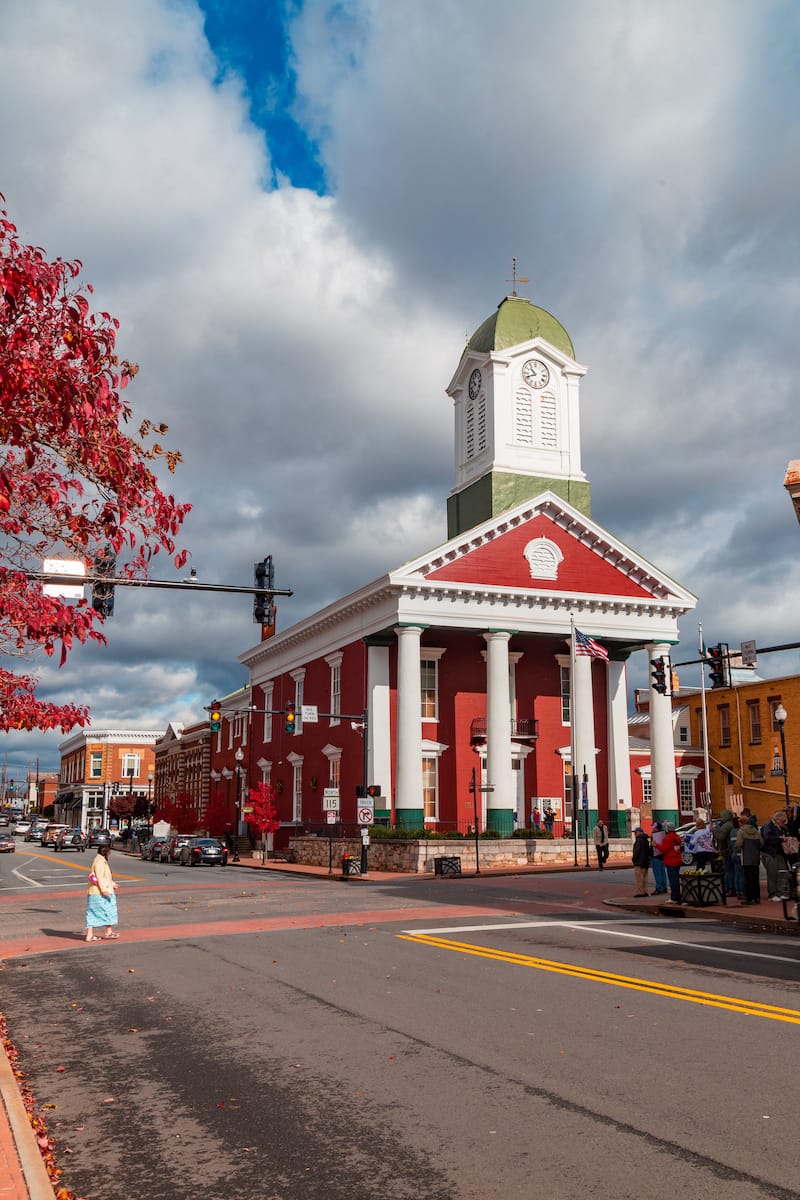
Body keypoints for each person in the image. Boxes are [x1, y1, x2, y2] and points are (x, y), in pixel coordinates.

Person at [85, 834, 119, 941]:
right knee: (100, 911)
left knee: (105, 911)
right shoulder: (100, 862)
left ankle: (107, 931)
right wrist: (104, 890)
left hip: (99, 891)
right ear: (105, 852)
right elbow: (99, 877)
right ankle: (92, 934)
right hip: (99, 893)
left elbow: (105, 877)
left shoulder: (101, 861)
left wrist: (113, 884)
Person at [760, 810, 789, 900]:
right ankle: (772, 894)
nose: (783, 823)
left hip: (778, 852)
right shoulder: (768, 826)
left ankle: (781, 892)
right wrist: (780, 839)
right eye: (782, 821)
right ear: (778, 820)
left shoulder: (779, 828)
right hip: (769, 853)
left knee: (782, 871)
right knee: (772, 873)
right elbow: (767, 838)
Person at [736, 814, 763, 905]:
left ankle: (749, 898)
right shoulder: (756, 831)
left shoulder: (741, 831)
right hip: (755, 857)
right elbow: (761, 843)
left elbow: (739, 844)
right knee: (755, 878)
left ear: (741, 823)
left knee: (748, 878)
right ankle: (757, 897)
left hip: (746, 857)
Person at [659, 822, 684, 904]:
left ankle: (674, 897)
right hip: (677, 860)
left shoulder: (668, 838)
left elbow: (664, 849)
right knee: (676, 879)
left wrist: (656, 845)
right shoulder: (677, 837)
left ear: (668, 829)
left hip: (670, 861)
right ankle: (678, 896)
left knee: (672, 880)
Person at [713, 809, 737, 895]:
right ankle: (734, 888)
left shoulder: (725, 826)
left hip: (726, 850)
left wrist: (714, 831)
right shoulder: (733, 824)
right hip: (732, 850)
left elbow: (720, 837)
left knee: (728, 871)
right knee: (734, 871)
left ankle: (730, 888)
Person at [631, 827, 652, 896]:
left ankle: (640, 892)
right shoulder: (646, 840)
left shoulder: (638, 841)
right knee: (645, 878)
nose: (634, 834)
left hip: (639, 862)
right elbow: (648, 851)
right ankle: (645, 890)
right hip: (645, 862)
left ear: (639, 833)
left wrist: (634, 859)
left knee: (639, 878)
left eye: (635, 833)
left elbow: (636, 852)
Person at [650, 821, 668, 895]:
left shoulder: (655, 835)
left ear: (656, 828)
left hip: (656, 855)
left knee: (657, 873)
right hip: (662, 856)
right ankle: (664, 887)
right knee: (662, 872)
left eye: (653, 827)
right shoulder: (664, 834)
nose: (652, 829)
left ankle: (659, 888)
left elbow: (653, 845)